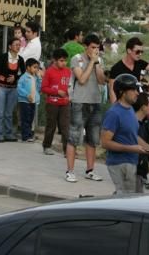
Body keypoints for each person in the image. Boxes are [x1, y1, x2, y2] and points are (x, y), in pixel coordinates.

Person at [101, 74, 149, 194]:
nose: (137, 93)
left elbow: (133, 136)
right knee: (125, 201)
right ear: (123, 92)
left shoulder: (130, 110)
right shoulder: (114, 113)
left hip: (131, 162)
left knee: (129, 200)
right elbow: (105, 142)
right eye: (134, 89)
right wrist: (131, 148)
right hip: (119, 163)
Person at [66, 33, 107, 183]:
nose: (95, 50)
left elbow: (102, 81)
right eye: (93, 47)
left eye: (97, 47)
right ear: (86, 47)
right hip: (79, 102)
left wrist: (97, 64)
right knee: (74, 137)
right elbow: (82, 79)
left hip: (95, 102)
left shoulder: (98, 60)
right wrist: (91, 62)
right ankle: (70, 171)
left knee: (93, 138)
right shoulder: (76, 59)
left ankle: (90, 170)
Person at [108, 37, 149, 103]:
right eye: (137, 51)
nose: (140, 54)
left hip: (136, 100)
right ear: (129, 50)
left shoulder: (139, 63)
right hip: (123, 103)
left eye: (141, 52)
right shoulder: (116, 68)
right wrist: (115, 108)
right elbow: (112, 90)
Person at [0, 37, 25, 142]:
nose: (18, 46)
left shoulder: (21, 59)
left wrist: (16, 77)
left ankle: (9, 134)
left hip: (13, 88)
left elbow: (23, 73)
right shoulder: (3, 57)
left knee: (9, 112)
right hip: (1, 86)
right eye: (15, 44)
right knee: (0, 112)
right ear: (10, 46)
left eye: (19, 45)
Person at [40, 49, 71, 155]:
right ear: (55, 60)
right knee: (51, 125)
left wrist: (70, 94)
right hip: (52, 103)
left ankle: (67, 150)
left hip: (65, 103)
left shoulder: (68, 71)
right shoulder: (49, 72)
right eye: (61, 60)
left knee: (65, 127)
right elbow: (44, 88)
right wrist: (57, 92)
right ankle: (47, 146)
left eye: (65, 60)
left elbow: (71, 86)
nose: (64, 63)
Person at [17, 58, 42, 142]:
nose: (36, 69)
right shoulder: (23, 77)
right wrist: (26, 95)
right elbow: (19, 88)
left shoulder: (35, 77)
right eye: (34, 67)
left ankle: (29, 134)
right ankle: (25, 136)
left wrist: (39, 78)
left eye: (37, 68)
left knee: (31, 118)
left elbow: (38, 88)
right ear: (28, 67)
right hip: (24, 101)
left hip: (33, 101)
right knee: (25, 118)